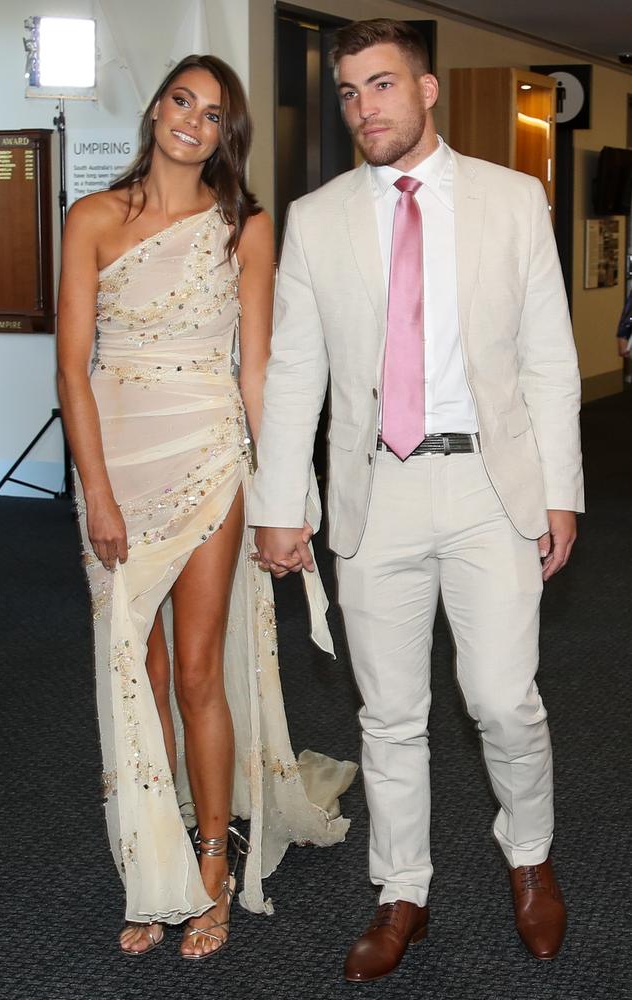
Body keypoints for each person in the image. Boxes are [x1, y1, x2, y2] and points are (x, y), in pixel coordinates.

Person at [250, 19, 583, 983]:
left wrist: (560, 490)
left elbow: (549, 359)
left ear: (427, 90)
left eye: (383, 86)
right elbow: (294, 372)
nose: (365, 109)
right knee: (389, 715)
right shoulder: (317, 219)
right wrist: (283, 502)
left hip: (490, 483)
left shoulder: (514, 201)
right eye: (349, 93)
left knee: (501, 702)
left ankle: (530, 859)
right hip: (374, 491)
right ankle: (402, 889)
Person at [57, 54, 355, 960]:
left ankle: (215, 866)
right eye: (182, 100)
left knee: (195, 673)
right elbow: (71, 367)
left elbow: (256, 368)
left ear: (229, 133)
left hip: (209, 457)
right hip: (117, 465)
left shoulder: (244, 227)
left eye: (214, 112)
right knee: (135, 675)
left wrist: (284, 497)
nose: (193, 120)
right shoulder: (93, 218)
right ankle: (154, 867)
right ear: (155, 109)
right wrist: (97, 492)